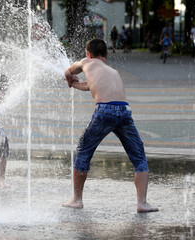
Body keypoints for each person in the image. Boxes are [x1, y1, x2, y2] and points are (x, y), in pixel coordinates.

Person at [62, 39, 158, 213]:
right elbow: (92, 86)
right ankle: (142, 203)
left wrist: (69, 76)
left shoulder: (86, 62)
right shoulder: (113, 72)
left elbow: (70, 69)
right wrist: (75, 84)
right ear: (106, 54)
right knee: (138, 155)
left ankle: (77, 199)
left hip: (105, 111)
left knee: (84, 150)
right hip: (124, 111)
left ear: (89, 54)